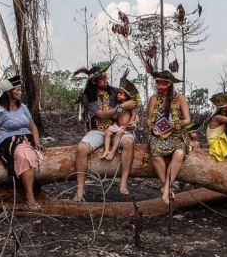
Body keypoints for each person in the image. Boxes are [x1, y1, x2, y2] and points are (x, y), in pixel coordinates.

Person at [73, 62, 138, 200]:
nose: (105, 79)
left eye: (105, 76)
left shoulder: (115, 91)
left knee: (128, 143)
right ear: (93, 81)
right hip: (98, 131)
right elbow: (101, 115)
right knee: (81, 149)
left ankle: (123, 183)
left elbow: (131, 104)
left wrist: (133, 122)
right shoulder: (87, 97)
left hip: (119, 128)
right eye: (101, 78)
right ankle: (80, 189)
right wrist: (121, 107)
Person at [0, 75, 44, 210]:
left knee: (30, 152)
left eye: (20, 90)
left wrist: (37, 143)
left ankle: (29, 189)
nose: (21, 93)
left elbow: (33, 127)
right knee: (25, 156)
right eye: (18, 90)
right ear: (9, 92)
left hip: (25, 138)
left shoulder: (22, 107)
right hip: (6, 140)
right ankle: (30, 196)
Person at [145, 65, 191, 204]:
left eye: (162, 83)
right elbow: (148, 119)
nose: (159, 85)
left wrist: (175, 124)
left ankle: (165, 190)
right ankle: (167, 186)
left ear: (169, 84)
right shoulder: (154, 99)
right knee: (154, 153)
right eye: (158, 82)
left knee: (179, 153)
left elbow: (188, 119)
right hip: (158, 135)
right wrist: (153, 127)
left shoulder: (179, 98)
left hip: (176, 134)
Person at [102, 71, 139, 161]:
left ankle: (112, 152)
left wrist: (131, 122)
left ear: (127, 96)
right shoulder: (119, 105)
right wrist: (115, 115)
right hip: (117, 125)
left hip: (125, 127)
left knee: (119, 134)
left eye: (122, 94)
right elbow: (116, 116)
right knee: (107, 132)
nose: (119, 95)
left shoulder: (130, 105)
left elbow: (134, 115)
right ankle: (106, 150)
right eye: (119, 93)